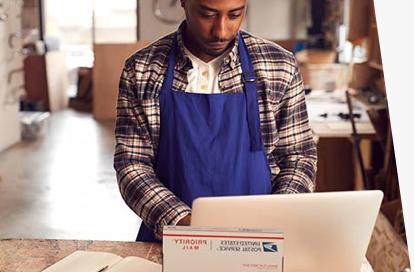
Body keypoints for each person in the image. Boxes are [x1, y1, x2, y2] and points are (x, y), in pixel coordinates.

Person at [113, 0, 318, 242]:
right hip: (171, 239)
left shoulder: (279, 66)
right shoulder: (142, 70)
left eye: (234, 14)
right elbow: (132, 164)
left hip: (260, 243)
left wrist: (276, 218)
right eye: (208, 14)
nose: (221, 30)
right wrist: (181, 222)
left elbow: (299, 157)